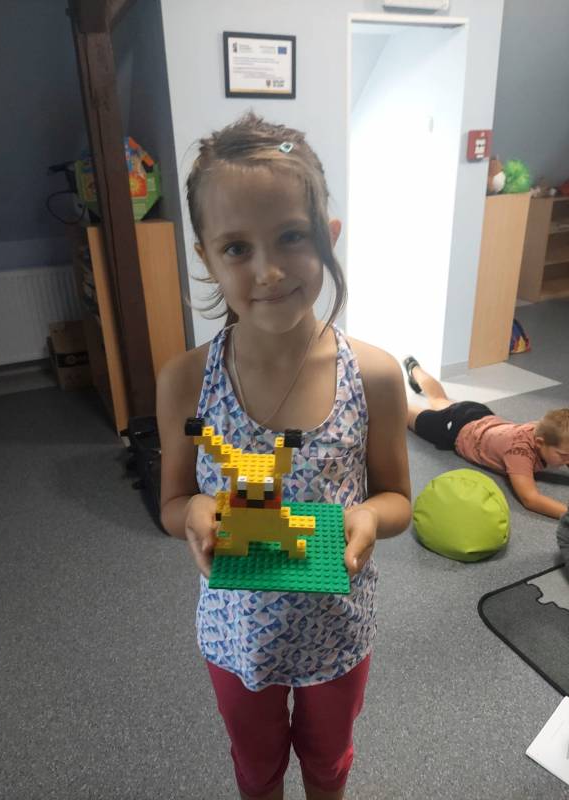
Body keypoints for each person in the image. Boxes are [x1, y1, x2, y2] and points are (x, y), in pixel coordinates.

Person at [156, 113, 411, 800]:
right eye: (237, 247)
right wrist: (195, 510)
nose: (267, 271)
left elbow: (398, 499)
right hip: (236, 634)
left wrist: (369, 518)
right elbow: (172, 503)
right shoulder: (185, 381)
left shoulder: (373, 375)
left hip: (337, 629)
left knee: (329, 763)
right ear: (207, 258)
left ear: (328, 237)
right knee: (255, 766)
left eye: (292, 237)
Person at [403, 355, 569, 519]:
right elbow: (530, 499)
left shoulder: (546, 428)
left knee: (439, 399)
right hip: (454, 428)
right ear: (539, 443)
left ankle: (414, 368)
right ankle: (389, 393)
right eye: (563, 455)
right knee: (404, 413)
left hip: (477, 414)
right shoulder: (519, 453)